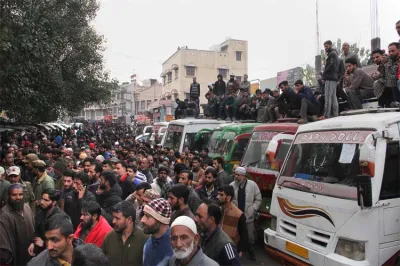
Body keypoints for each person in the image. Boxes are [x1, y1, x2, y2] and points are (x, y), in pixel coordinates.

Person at [102, 201, 149, 266]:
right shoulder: (109, 237)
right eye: (113, 217)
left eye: (117, 218)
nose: (113, 221)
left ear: (129, 219)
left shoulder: (145, 240)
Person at [195, 201, 241, 265]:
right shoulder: (201, 234)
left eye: (200, 216)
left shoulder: (225, 246)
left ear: (211, 219)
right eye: (196, 215)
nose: (195, 219)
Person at [230, 166, 261, 260]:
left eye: (238, 175)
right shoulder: (231, 185)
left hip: (248, 216)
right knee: (235, 235)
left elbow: (258, 199)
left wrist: (252, 209)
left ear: (243, 175)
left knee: (250, 236)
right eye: (235, 174)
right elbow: (229, 199)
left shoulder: (253, 185)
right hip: (236, 215)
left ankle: (251, 251)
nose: (235, 176)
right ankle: (235, 252)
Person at [0, 184, 35, 266]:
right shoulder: (4, 215)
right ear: (8, 196)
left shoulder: (27, 207)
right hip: (17, 257)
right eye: (14, 195)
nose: (18, 197)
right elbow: (4, 243)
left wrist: (33, 242)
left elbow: (34, 227)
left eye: (20, 194)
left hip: (31, 253)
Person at [28, 188, 65, 256]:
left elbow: (60, 241)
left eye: (46, 200)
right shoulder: (41, 211)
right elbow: (36, 230)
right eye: (42, 199)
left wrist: (44, 243)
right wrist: (33, 242)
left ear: (54, 202)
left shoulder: (60, 218)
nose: (42, 202)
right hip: (40, 252)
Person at [217, 185, 248, 257]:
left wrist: (239, 250)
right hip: (217, 249)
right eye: (218, 194)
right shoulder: (218, 210)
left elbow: (244, 236)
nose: (217, 197)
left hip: (231, 252)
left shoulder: (239, 215)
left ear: (228, 198)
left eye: (221, 195)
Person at [141, 198, 173, 266]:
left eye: (148, 216)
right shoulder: (149, 242)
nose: (142, 220)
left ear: (161, 220)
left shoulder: (173, 249)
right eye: (144, 215)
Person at [321, 40, 339, 119]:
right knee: (333, 97)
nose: (325, 48)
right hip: (334, 78)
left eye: (326, 46)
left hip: (330, 78)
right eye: (324, 46)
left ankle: (326, 115)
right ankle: (335, 114)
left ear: (331, 45)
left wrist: (324, 75)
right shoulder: (335, 54)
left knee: (328, 97)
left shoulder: (332, 54)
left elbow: (330, 66)